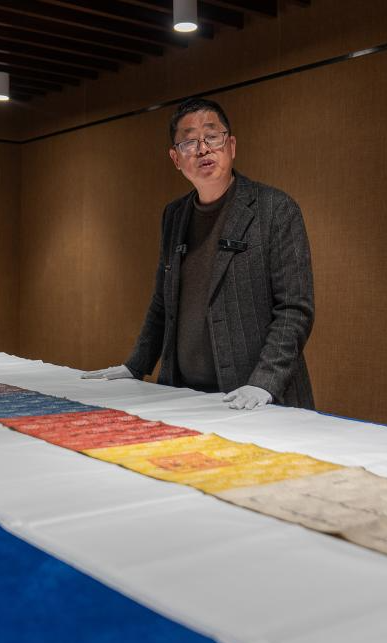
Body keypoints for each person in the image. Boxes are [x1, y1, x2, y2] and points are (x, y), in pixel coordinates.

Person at [82, 98, 315, 410]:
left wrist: (263, 383)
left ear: (231, 145)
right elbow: (163, 302)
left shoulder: (275, 209)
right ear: (176, 159)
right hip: (184, 397)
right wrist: (135, 365)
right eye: (189, 142)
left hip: (257, 398)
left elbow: (294, 310)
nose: (203, 149)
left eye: (212, 137)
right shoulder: (174, 215)